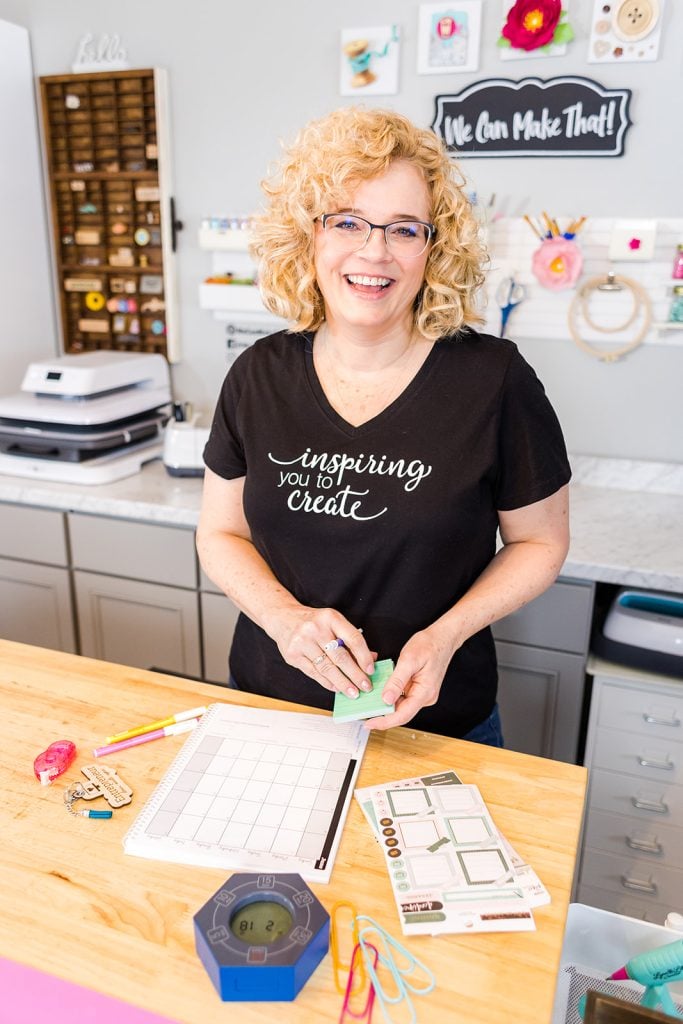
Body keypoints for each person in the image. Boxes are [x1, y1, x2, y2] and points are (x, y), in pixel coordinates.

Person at [196, 106, 570, 745]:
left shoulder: (495, 380)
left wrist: (446, 634)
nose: (375, 251)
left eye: (403, 229)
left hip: (439, 721)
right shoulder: (257, 375)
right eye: (346, 221)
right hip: (274, 713)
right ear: (306, 236)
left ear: (434, 246)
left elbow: (540, 544)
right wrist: (286, 621)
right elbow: (221, 533)